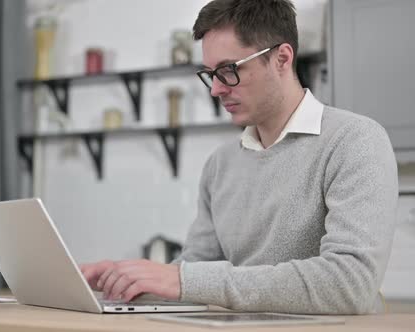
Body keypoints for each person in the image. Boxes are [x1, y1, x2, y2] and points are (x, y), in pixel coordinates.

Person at [80, 0, 398, 314]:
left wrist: (183, 279)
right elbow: (193, 279)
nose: (215, 90)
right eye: (210, 74)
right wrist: (126, 280)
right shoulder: (221, 164)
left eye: (228, 70)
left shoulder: (355, 141)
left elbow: (349, 285)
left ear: (282, 59)